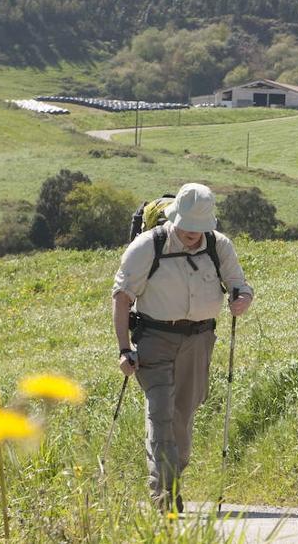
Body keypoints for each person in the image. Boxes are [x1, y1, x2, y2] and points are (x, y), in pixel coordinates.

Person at [112, 182, 254, 513]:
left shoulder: (220, 247)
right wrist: (123, 349)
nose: (192, 234)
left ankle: (172, 477)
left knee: (183, 418)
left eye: (199, 228)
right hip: (154, 340)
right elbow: (121, 299)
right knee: (161, 413)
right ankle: (165, 496)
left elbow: (239, 285)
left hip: (200, 341)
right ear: (175, 218)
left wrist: (242, 299)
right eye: (187, 227)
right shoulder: (148, 246)